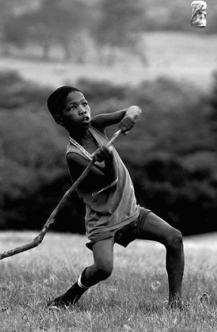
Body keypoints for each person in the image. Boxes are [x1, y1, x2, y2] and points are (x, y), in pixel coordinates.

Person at [46, 86, 184, 309]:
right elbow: (107, 181)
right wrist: (108, 157)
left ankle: (176, 304)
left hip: (130, 210)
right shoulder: (74, 156)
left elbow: (134, 108)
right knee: (103, 270)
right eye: (73, 108)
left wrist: (130, 115)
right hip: (104, 220)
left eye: (84, 103)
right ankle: (69, 296)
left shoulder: (97, 125)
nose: (82, 110)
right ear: (60, 119)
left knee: (174, 238)